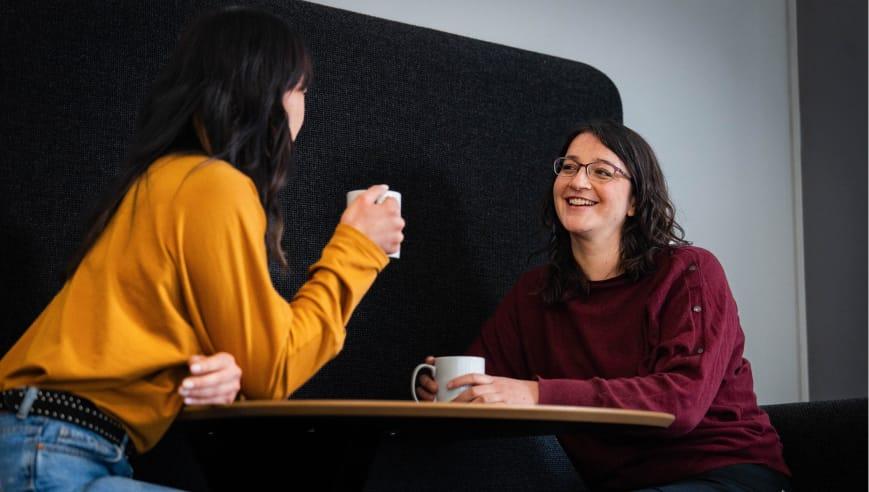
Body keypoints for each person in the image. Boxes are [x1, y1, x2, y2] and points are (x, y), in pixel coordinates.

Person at [0, 7, 403, 490]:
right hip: (54, 448)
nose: (304, 108)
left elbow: (237, 355)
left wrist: (220, 367)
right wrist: (358, 249)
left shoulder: (168, 178)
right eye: (301, 90)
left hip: (46, 440)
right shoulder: (215, 186)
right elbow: (274, 369)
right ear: (270, 91)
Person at [415, 120, 790, 491]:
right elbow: (486, 384)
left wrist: (534, 394)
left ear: (635, 202)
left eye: (602, 172)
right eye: (569, 166)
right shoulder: (535, 293)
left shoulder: (689, 272)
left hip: (724, 473)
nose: (578, 181)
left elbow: (681, 403)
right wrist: (447, 391)